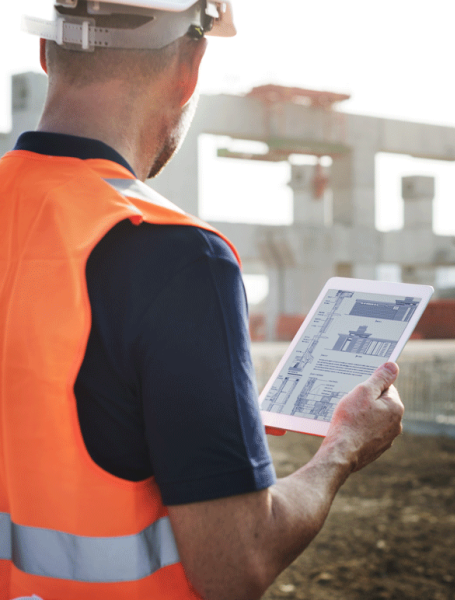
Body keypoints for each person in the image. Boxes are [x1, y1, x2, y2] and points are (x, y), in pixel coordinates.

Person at [0, 2, 404, 599]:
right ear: (191, 66)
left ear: (45, 51)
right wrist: (342, 447)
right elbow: (235, 562)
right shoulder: (176, 255)